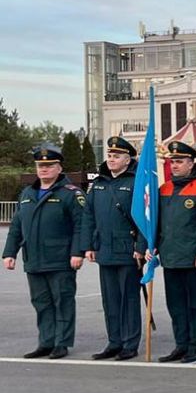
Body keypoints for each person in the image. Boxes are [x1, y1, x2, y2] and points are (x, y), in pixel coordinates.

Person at [2, 145, 85, 359]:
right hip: (34, 259)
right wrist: (9, 253)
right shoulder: (27, 193)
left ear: (59, 168)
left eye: (49, 165)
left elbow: (81, 225)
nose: (44, 169)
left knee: (63, 301)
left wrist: (78, 252)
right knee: (41, 303)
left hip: (61, 259)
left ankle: (62, 343)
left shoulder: (71, 194)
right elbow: (17, 226)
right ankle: (46, 342)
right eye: (40, 165)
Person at [80, 136, 146, 360]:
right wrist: (88, 245)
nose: (111, 159)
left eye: (116, 156)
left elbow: (145, 218)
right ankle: (114, 342)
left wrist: (141, 247)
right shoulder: (99, 183)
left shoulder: (137, 182)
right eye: (109, 155)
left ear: (128, 159)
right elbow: (88, 216)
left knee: (129, 300)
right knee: (110, 300)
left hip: (128, 250)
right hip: (105, 249)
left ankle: (130, 343)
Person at [153, 141, 196, 363]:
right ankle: (181, 344)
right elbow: (157, 223)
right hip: (170, 257)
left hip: (193, 258)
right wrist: (152, 247)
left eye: (179, 161)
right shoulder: (164, 189)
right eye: (172, 162)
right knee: (176, 305)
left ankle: (194, 347)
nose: (175, 166)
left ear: (191, 163)